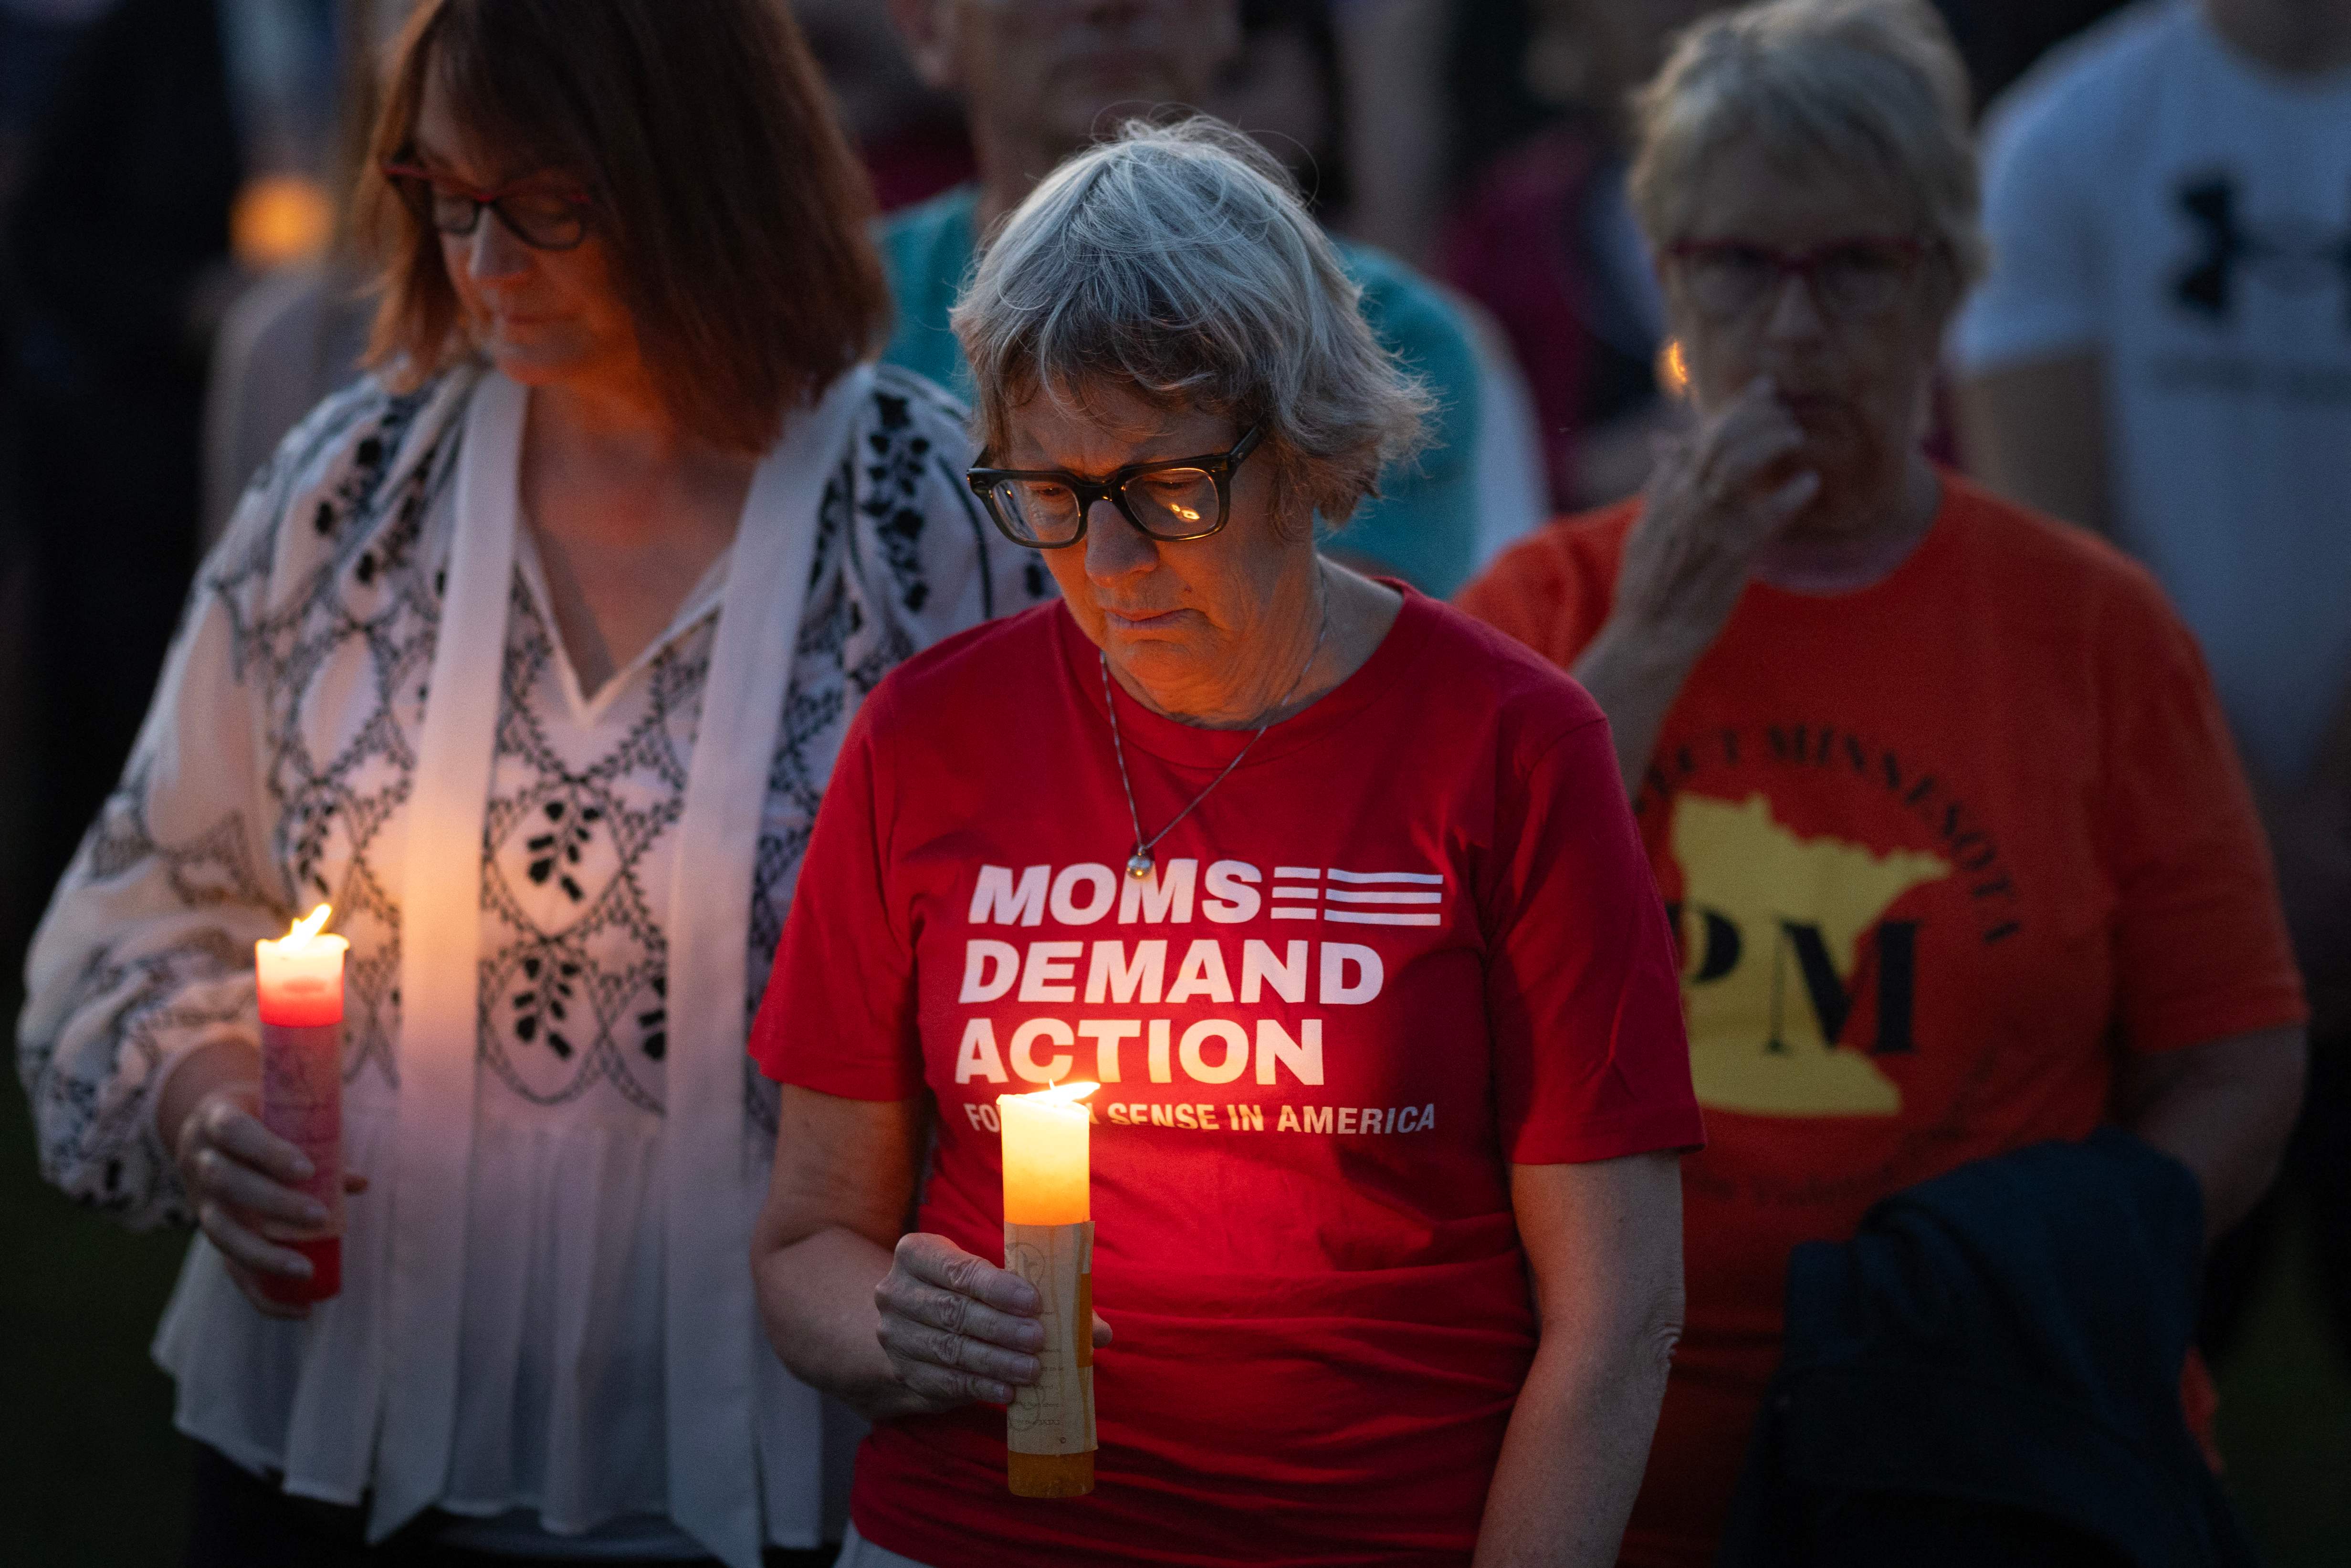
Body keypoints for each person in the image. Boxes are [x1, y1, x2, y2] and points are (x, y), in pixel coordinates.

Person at [16, 1, 1049, 1564]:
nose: (484, 260)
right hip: (338, 1444)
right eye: (444, 193)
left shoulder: (918, 523)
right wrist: (206, 1094)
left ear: (701, 174)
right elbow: (151, 889)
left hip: (778, 1451)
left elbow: (1058, 961)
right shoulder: (353, 497)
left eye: (545, 203)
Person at [747, 119, 1704, 1568]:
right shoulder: (925, 737)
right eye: (1052, 499)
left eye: (1170, 490)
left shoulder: (1507, 742)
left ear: (1312, 452)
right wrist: (892, 1322)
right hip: (975, 1526)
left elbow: (1619, 1309)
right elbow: (806, 1243)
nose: (1110, 567)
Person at [1454, 3, 2308, 1563]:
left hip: (1987, 1441)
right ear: (1663, 279)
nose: (1790, 333)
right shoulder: (1541, 608)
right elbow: (1424, 984)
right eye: (1737, 267)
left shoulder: (2091, 625)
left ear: (1942, 286)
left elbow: (2238, 1056)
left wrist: (2062, 1256)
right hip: (1613, 1440)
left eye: (1850, 270)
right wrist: (1650, 644)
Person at [1952, 0, 2351, 1361]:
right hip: (2150, 862)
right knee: (2131, 1375)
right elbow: (2058, 545)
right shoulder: (2066, 136)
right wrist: (2249, 837)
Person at [875, 0, 1494, 596]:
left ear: (1227, 13)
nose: (1110, 5)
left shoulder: (1385, 334)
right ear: (927, 23)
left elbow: (1316, 670)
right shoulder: (829, 318)